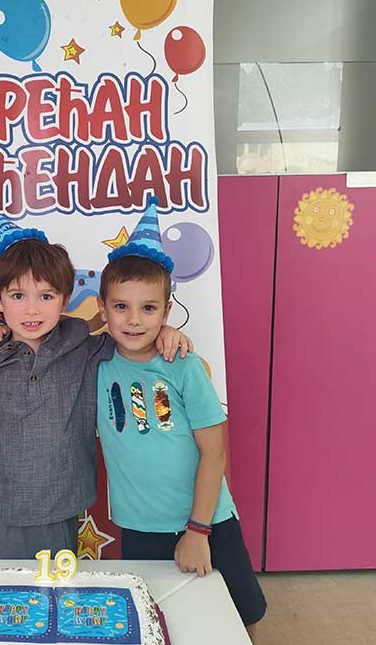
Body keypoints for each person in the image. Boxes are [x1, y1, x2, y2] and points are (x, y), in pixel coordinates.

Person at [0, 206, 192, 560]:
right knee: (2, 587)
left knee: (55, 588)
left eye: (46, 296)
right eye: (18, 296)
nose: (32, 310)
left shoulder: (85, 347)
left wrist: (164, 331)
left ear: (65, 300)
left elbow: (133, 339)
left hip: (60, 505)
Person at [94, 197, 266, 633]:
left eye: (149, 308)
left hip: (207, 520)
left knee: (238, 615)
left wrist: (198, 530)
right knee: (155, 619)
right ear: (102, 308)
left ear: (167, 311)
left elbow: (214, 453)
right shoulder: (94, 362)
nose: (134, 320)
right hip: (139, 526)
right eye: (121, 307)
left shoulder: (183, 365)